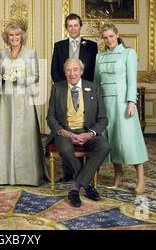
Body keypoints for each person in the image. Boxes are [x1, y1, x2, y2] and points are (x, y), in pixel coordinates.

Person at [47, 58, 110, 207]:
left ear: (81, 71)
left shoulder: (93, 87)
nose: (72, 73)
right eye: (68, 70)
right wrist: (65, 133)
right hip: (65, 132)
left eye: (75, 70)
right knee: (65, 149)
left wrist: (90, 134)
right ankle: (87, 186)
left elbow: (103, 119)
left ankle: (75, 188)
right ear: (65, 72)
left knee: (104, 147)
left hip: (87, 131)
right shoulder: (57, 87)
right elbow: (50, 117)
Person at [94, 23, 149, 195]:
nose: (109, 40)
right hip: (105, 104)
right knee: (111, 140)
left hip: (124, 104)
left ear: (117, 35)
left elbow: (132, 80)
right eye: (105, 37)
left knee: (128, 140)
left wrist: (132, 101)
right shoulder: (99, 57)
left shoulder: (128, 53)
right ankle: (118, 174)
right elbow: (96, 83)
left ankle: (141, 180)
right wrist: (95, 105)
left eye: (111, 36)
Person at [0, 21, 48, 186]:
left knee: (26, 134)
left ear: (22, 36)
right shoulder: (1, 53)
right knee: (6, 134)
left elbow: (36, 76)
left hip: (24, 99)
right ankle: (4, 176)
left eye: (17, 35)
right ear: (7, 37)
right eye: (11, 35)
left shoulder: (30, 53)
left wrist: (23, 79)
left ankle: (28, 176)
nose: (14, 38)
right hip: (6, 100)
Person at [50, 13, 98, 181]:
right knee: (65, 126)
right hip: (64, 90)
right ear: (66, 27)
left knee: (84, 127)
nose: (73, 28)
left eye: (75, 25)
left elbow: (92, 71)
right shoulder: (59, 45)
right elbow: (54, 69)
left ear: (80, 26)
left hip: (84, 90)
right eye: (69, 25)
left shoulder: (91, 46)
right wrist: (63, 89)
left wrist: (84, 88)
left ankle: (82, 170)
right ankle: (68, 173)